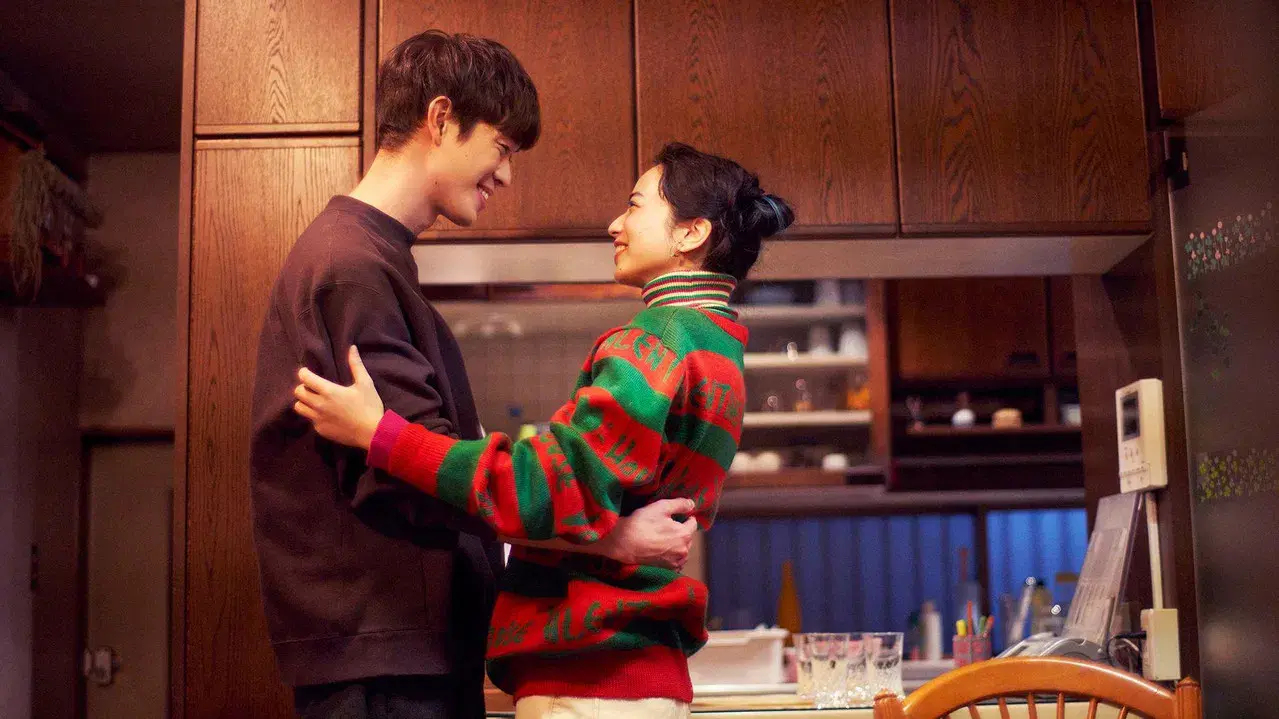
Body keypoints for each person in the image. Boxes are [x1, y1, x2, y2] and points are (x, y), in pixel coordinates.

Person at [250, 30, 696, 719]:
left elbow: (415, 452)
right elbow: (414, 474)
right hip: (387, 664)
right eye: (502, 147)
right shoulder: (351, 267)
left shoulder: (369, 258)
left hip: (398, 653)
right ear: (439, 119)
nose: (506, 175)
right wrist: (611, 538)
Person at [292, 142, 796, 719]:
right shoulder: (718, 346)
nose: (615, 225)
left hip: (590, 677)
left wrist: (378, 434)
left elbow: (540, 491)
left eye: (635, 206)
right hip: (643, 674)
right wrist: (617, 536)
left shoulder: (654, 342)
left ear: (690, 233)